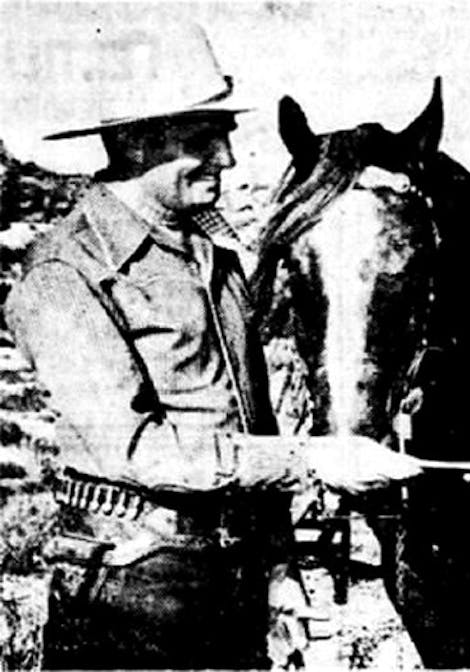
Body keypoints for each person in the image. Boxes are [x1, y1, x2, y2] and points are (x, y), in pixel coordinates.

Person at [5, 23, 421, 669]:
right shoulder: (67, 274)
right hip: (132, 586)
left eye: (225, 135)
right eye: (202, 140)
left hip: (236, 572)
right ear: (134, 141)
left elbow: (253, 419)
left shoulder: (213, 256)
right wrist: (315, 458)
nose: (226, 159)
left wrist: (281, 573)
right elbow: (140, 451)